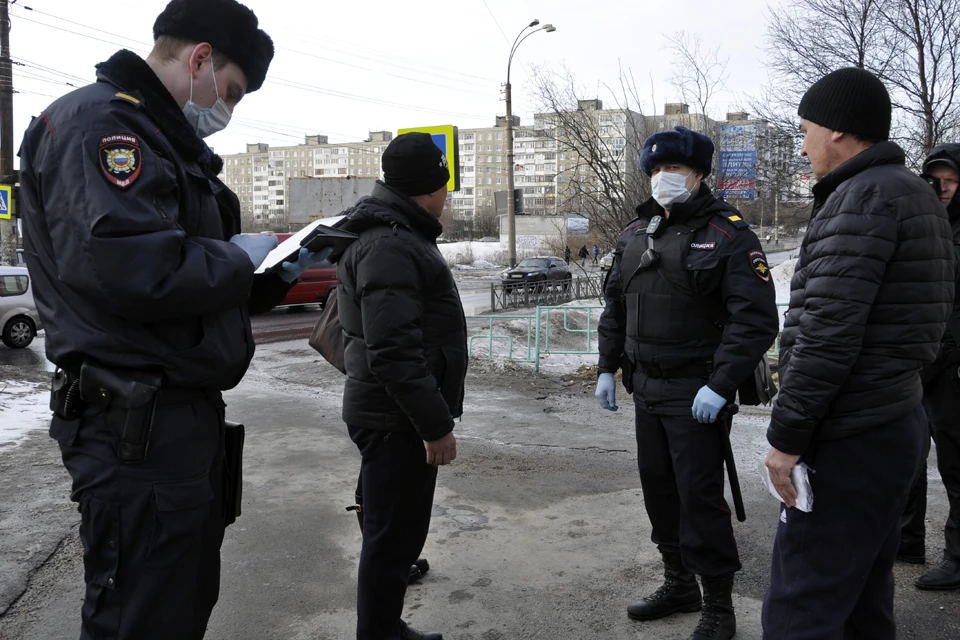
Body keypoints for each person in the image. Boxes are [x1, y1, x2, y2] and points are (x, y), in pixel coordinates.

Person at [17, 2, 331, 639]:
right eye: (233, 93)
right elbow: (128, 266)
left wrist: (270, 276)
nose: (229, 111)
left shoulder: (158, 138)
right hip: (134, 427)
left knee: (179, 602)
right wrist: (236, 260)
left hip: (172, 422)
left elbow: (175, 283)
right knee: (142, 614)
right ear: (200, 60)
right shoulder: (102, 126)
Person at [761, 68, 955, 639]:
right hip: (892, 420)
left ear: (839, 130)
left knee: (802, 609)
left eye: (806, 129)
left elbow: (826, 334)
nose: (802, 144)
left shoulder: (863, 197)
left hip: (849, 434)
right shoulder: (912, 192)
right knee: (864, 601)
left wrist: (786, 439)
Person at [595, 125, 779, 640]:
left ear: (699, 174)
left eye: (674, 169)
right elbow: (615, 307)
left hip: (697, 391)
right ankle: (678, 583)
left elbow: (756, 319)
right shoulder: (635, 234)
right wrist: (606, 368)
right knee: (659, 493)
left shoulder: (729, 234)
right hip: (645, 388)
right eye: (655, 170)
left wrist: (722, 384)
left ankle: (719, 607)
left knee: (700, 500)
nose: (663, 178)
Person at [336, 132, 467, 640]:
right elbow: (393, 353)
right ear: (427, 188)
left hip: (391, 413)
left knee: (393, 534)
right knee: (392, 539)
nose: (448, 196)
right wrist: (435, 427)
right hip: (396, 418)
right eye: (444, 185)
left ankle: (385, 626)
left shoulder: (396, 236)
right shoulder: (390, 243)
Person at [898, 143, 960, 590]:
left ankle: (957, 559)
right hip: (919, 358)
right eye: (936, 179)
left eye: (953, 179)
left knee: (956, 467)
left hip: (953, 365)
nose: (943, 188)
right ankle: (907, 540)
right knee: (907, 453)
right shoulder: (922, 226)